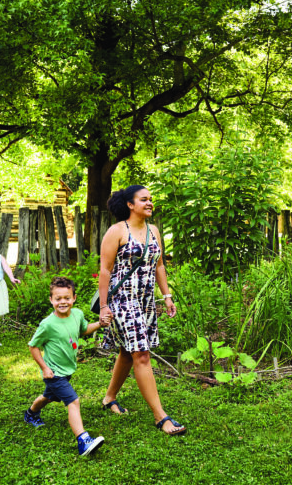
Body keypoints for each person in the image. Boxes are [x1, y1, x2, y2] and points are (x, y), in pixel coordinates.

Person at [97, 185, 186, 436]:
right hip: (123, 299)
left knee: (128, 351)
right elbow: (105, 270)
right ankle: (162, 417)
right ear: (130, 204)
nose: (149, 203)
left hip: (145, 300)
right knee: (142, 355)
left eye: (151, 199)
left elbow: (159, 266)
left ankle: (109, 397)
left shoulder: (154, 231)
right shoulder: (116, 232)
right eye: (143, 199)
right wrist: (104, 306)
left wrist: (166, 296)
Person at [24, 276, 110, 456]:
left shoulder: (77, 314)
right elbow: (33, 346)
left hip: (67, 370)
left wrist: (99, 324)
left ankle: (31, 414)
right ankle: (83, 440)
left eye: (66, 298)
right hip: (54, 373)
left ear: (74, 298)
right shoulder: (47, 324)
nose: (63, 302)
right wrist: (45, 368)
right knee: (73, 401)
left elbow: (83, 330)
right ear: (51, 300)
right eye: (58, 299)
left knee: (47, 397)